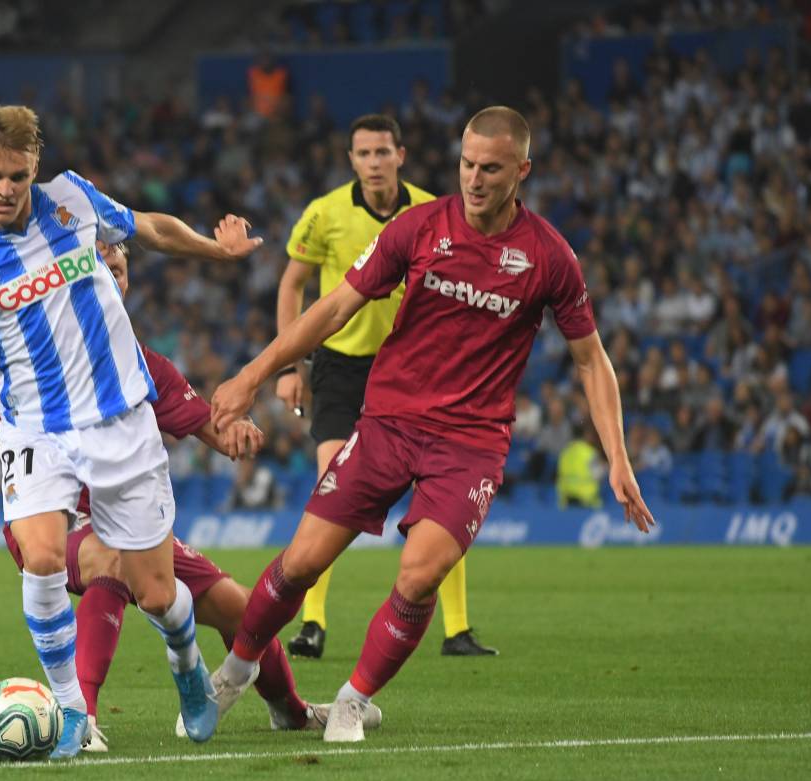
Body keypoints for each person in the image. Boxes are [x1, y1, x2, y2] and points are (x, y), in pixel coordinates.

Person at [209, 106, 654, 742]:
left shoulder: (549, 256)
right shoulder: (420, 228)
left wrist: (618, 455)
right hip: (388, 423)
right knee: (302, 561)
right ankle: (235, 668)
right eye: (467, 164)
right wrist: (254, 373)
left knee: (419, 574)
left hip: (470, 445)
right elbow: (332, 306)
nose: (474, 179)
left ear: (521, 170)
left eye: (491, 168)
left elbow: (591, 358)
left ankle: (352, 700)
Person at [0, 104, 261, 759]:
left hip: (122, 423)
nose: (5, 188)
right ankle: (72, 712)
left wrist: (218, 248)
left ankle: (186, 662)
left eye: (16, 175)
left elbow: (148, 227)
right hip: (36, 431)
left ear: (35, 168)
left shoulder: (73, 199)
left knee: (159, 595)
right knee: (42, 557)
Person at [0, 243, 381, 752]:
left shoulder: (143, 364)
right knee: (112, 561)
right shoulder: (18, 336)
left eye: (118, 271)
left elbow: (206, 423)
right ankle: (82, 718)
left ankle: (292, 713)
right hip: (55, 522)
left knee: (242, 611)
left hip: (127, 520)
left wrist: (234, 433)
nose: (109, 280)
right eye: (99, 269)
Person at [277, 113, 495, 659]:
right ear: (351, 160)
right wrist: (289, 366)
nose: (373, 163)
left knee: (438, 496)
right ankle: (313, 623)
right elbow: (292, 285)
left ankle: (457, 629)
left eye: (382, 152)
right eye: (363, 154)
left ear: (400, 154)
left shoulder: (432, 211)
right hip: (340, 368)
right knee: (332, 480)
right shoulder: (322, 214)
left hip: (411, 371)